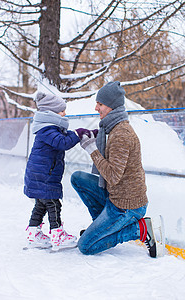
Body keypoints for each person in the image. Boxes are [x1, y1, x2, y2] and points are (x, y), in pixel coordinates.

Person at [71, 81, 157, 258]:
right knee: (77, 178)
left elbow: (112, 176)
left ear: (111, 106)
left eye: (100, 104)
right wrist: (93, 136)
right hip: (115, 195)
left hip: (127, 206)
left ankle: (139, 230)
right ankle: (101, 228)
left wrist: (91, 150)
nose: (96, 108)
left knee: (85, 246)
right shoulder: (111, 129)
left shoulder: (121, 135)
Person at [24, 92, 88, 250]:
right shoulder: (47, 129)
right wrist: (78, 133)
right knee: (53, 204)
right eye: (61, 111)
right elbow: (63, 143)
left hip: (41, 175)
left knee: (41, 205)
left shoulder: (47, 128)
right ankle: (57, 233)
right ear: (51, 113)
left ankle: (33, 234)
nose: (64, 114)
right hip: (44, 176)